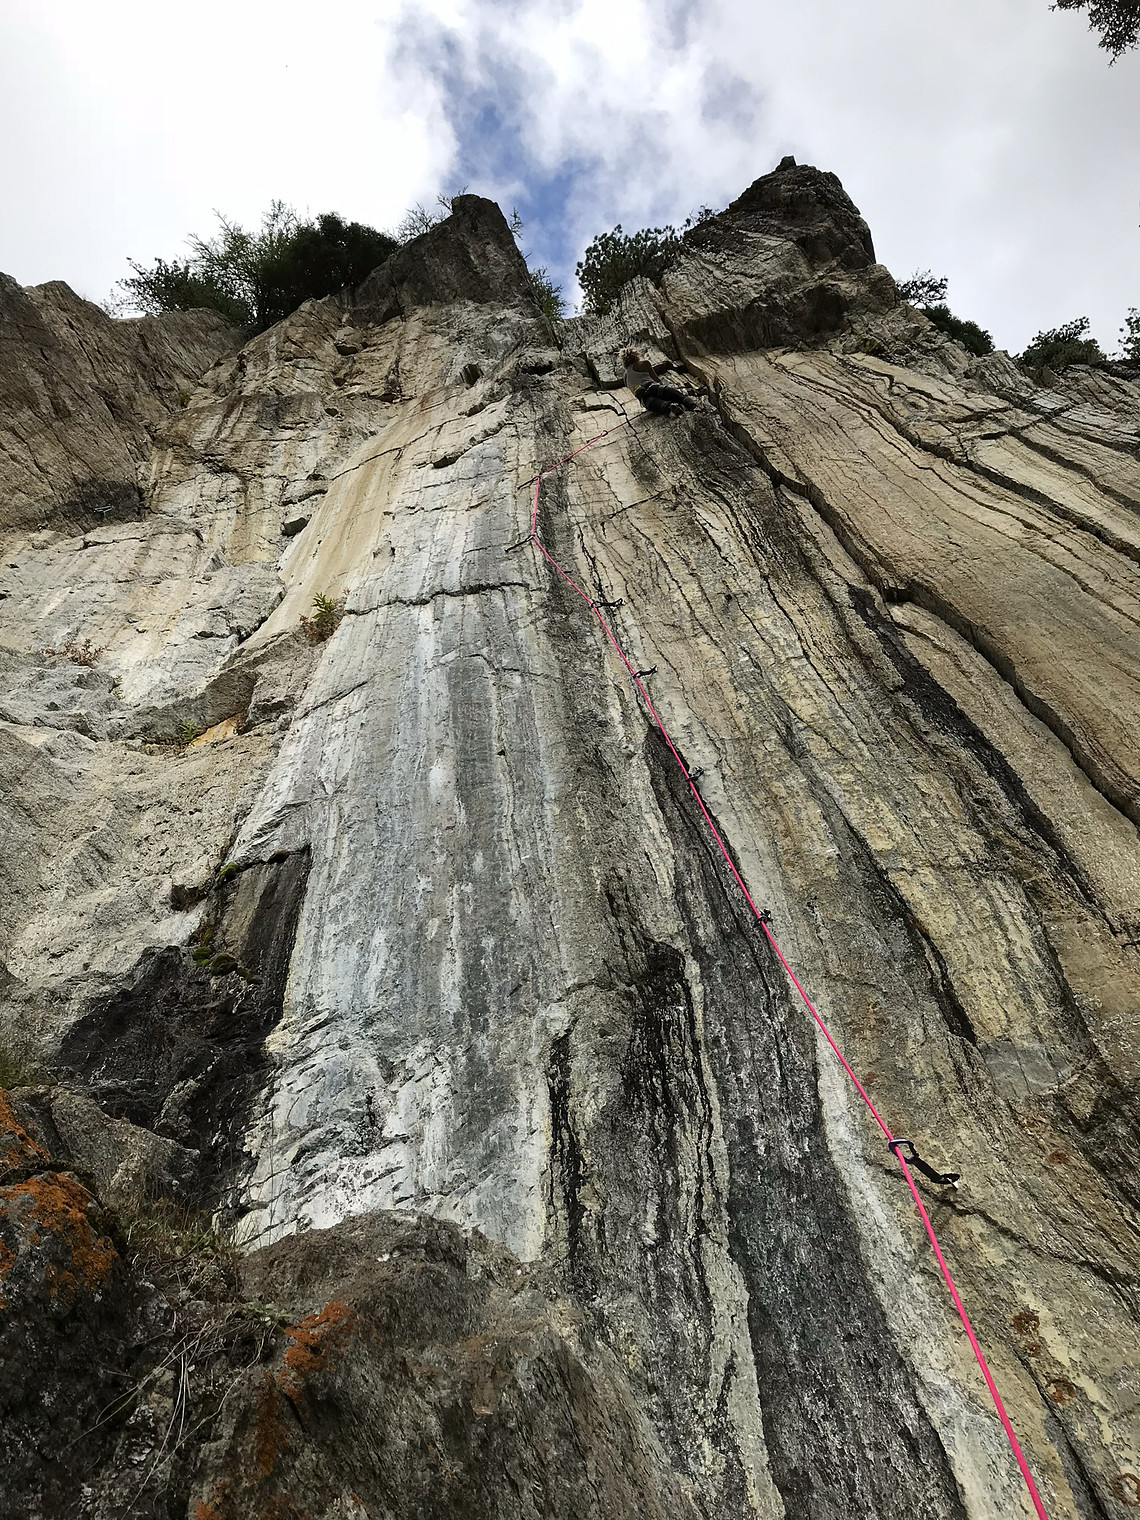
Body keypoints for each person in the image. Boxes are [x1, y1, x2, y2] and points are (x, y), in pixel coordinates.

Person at [621, 348, 698, 417]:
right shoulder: (644, 363)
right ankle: (694, 407)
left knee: (662, 406)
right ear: (636, 355)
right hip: (653, 387)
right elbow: (656, 379)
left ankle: (669, 407)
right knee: (679, 397)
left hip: (644, 398)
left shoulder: (625, 376)